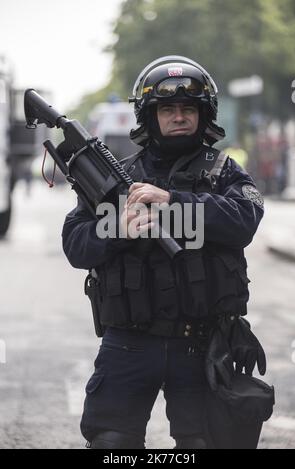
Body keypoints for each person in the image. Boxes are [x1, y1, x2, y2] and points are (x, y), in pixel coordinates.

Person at [62, 56, 269, 449]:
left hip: (202, 342)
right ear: (149, 116)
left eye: (187, 109)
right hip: (128, 342)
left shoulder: (224, 172)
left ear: (202, 114)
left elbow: (245, 219)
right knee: (111, 442)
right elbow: (75, 244)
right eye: (168, 109)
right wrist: (118, 230)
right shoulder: (116, 179)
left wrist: (170, 201)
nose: (178, 117)